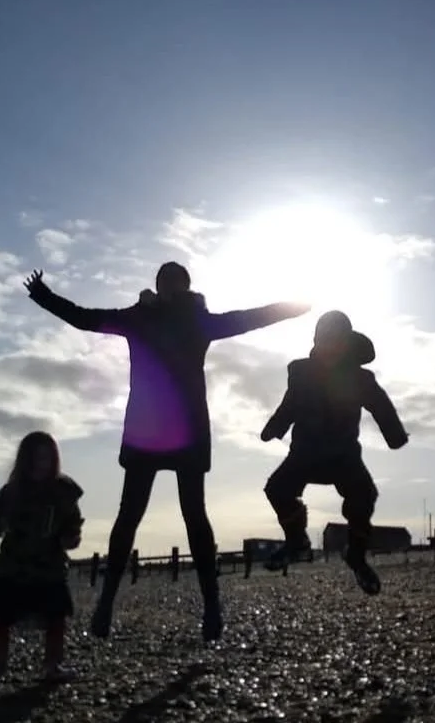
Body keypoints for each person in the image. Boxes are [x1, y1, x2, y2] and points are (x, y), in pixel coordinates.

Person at [24, 261, 309, 642]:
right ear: (159, 287)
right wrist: (44, 297)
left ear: (183, 287)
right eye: (166, 283)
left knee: (189, 515)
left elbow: (250, 318)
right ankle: (108, 604)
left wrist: (296, 305)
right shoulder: (143, 318)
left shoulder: (185, 320)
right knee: (133, 516)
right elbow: (85, 318)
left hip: (179, 432)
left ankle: (210, 607)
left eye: (175, 283)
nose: (170, 288)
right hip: (154, 431)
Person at [259, 310, 409, 595]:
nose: (328, 347)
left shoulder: (360, 379)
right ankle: (297, 542)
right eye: (322, 340)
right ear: (315, 342)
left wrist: (395, 436)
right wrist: (274, 428)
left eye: (335, 341)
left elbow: (381, 406)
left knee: (364, 496)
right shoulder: (300, 373)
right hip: (305, 452)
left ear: (346, 344)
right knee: (277, 489)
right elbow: (289, 405)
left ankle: (357, 555)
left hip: (344, 456)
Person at [0, 430, 84, 688]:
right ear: (25, 460)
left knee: (55, 617)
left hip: (49, 567)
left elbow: (73, 525)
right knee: (1, 618)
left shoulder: (64, 491)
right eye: (36, 458)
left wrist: (70, 538)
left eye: (47, 458)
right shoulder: (11, 492)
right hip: (14, 566)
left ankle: (53, 665)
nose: (42, 464)